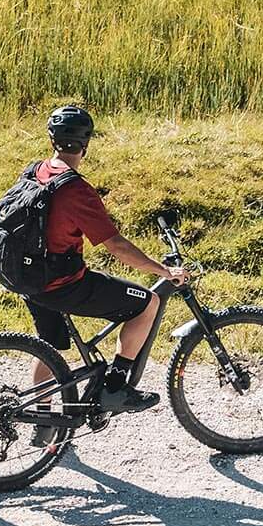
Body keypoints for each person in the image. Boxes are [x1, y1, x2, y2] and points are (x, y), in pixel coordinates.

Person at [28, 102, 185, 417]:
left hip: (29, 277)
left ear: (51, 139)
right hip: (62, 284)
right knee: (148, 303)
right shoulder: (76, 189)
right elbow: (116, 246)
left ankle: (42, 421)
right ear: (85, 144)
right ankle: (115, 388)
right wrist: (162, 270)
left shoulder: (36, 170)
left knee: (49, 347)